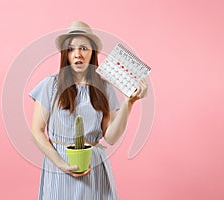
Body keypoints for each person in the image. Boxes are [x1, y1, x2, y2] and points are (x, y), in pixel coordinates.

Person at [29, 21, 148, 200]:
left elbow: (111, 137)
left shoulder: (104, 87)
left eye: (84, 48)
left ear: (92, 52)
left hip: (94, 169)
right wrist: (61, 164)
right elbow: (36, 131)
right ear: (65, 54)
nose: (78, 54)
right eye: (71, 49)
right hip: (58, 168)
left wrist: (129, 103)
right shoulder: (50, 86)